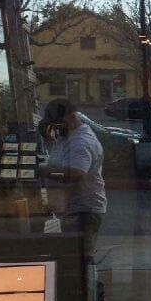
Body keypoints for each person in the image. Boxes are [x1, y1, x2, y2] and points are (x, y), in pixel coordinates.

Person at [39, 99, 107, 267]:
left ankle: (86, 288)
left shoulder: (81, 142)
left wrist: (44, 171)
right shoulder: (67, 136)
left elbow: (76, 174)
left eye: (56, 124)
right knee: (68, 254)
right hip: (70, 207)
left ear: (69, 119)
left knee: (79, 258)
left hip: (84, 209)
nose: (55, 129)